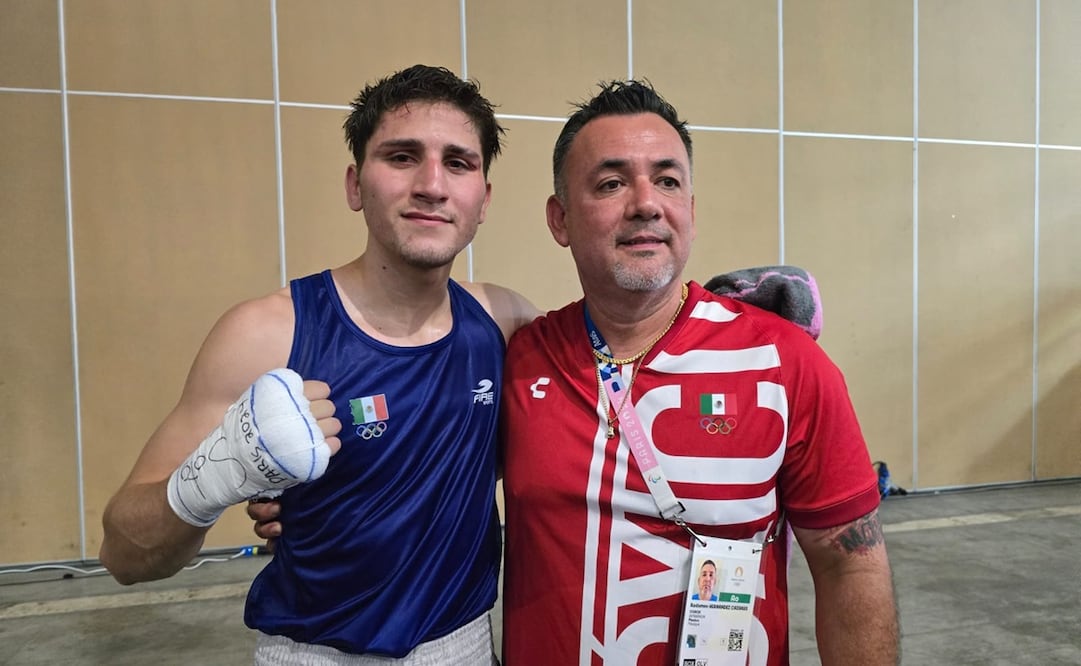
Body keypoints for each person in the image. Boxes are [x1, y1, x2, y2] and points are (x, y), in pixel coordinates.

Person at [99, 64, 538, 665]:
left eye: (458, 163)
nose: (432, 185)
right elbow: (123, 555)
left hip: (463, 645)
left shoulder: (505, 323)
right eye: (403, 156)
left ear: (483, 200)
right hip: (312, 653)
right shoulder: (267, 333)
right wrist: (218, 474)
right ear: (356, 185)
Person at [499, 80, 900, 665]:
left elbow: (850, 564)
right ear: (560, 220)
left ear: (690, 207)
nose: (646, 202)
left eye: (667, 180)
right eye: (611, 183)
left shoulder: (786, 363)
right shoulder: (519, 359)